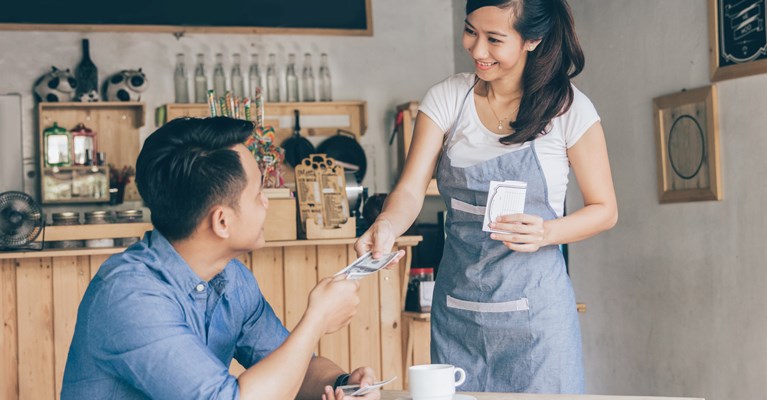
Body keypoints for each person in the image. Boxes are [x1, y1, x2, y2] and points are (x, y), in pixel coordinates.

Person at [355, 0, 617, 394]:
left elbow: (605, 210)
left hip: (537, 322)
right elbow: (410, 190)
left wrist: (546, 232)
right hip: (458, 313)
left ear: (533, 39)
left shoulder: (568, 109)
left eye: (494, 39)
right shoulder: (448, 99)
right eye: (471, 31)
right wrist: (387, 225)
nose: (477, 49)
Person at [62, 117, 378, 400]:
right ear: (222, 222)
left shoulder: (232, 279)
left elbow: (292, 366)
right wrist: (316, 319)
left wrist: (342, 384)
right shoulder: (129, 296)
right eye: (258, 194)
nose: (267, 202)